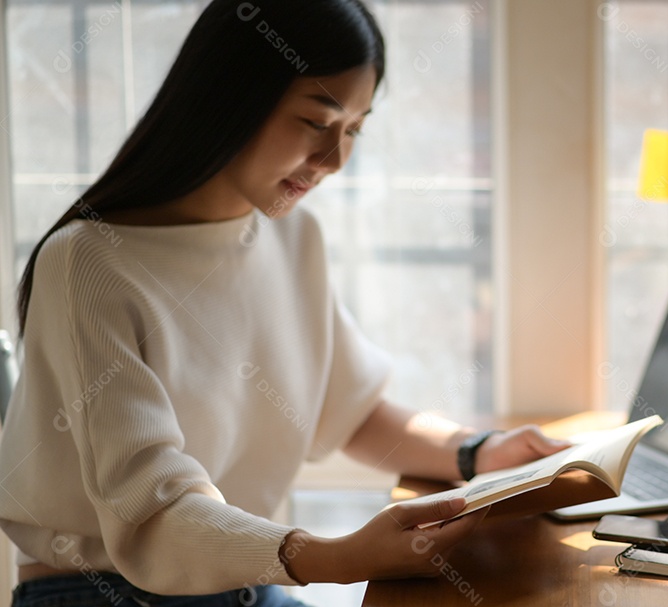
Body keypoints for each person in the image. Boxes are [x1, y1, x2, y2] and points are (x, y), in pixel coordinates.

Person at [0, 1, 569, 605]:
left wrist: (477, 450)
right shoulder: (89, 263)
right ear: (229, 96)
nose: (335, 160)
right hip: (101, 592)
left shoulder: (294, 237)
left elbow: (350, 410)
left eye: (353, 129)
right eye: (316, 122)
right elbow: (157, 512)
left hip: (248, 585)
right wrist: (336, 557)